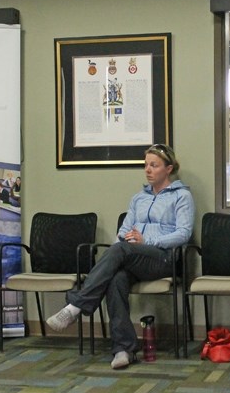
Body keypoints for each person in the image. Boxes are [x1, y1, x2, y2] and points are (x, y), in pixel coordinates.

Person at [45, 144, 194, 369]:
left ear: (169, 168)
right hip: (134, 257)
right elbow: (123, 233)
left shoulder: (182, 196)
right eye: (146, 165)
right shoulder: (138, 198)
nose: (148, 170)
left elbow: (184, 234)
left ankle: (75, 306)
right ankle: (123, 349)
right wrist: (117, 253)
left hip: (164, 259)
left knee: (121, 249)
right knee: (115, 278)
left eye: (154, 165)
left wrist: (147, 242)